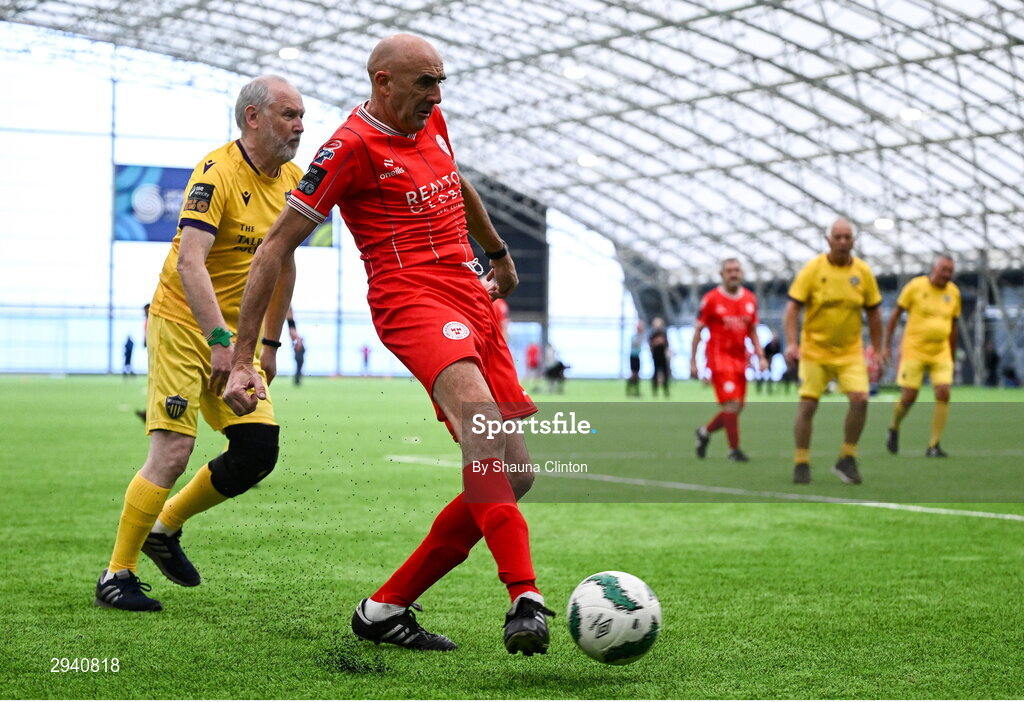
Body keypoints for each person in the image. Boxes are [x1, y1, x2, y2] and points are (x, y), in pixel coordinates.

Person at [223, 35, 552, 656]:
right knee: (483, 433)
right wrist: (245, 356)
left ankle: (385, 608)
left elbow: (456, 185)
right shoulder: (349, 146)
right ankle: (524, 597)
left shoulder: (433, 122)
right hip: (411, 299)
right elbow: (273, 247)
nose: (436, 94)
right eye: (425, 82)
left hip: (469, 295)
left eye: (439, 81)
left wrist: (499, 254)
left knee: (516, 473)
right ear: (383, 83)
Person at [95, 76, 306, 612]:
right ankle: (116, 574)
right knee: (172, 451)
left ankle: (164, 529)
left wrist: (269, 346)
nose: (300, 126)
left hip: (236, 338)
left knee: (258, 451)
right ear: (252, 118)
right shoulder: (214, 173)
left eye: (302, 116)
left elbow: (284, 265)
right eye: (288, 115)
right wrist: (218, 343)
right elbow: (191, 263)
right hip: (183, 325)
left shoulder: (296, 181)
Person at [784, 218, 883, 485]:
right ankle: (801, 461)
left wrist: (879, 349)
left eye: (847, 237)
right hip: (815, 351)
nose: (842, 242)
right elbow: (792, 308)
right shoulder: (813, 269)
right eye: (837, 237)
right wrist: (793, 343)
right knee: (807, 406)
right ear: (828, 240)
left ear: (853, 241)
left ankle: (847, 458)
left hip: (850, 352)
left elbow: (874, 313)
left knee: (861, 400)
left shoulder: (862, 272)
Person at [883, 255, 960, 457]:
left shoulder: (953, 293)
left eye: (950, 271)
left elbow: (954, 326)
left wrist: (951, 353)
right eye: (943, 269)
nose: (947, 274)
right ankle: (894, 426)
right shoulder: (915, 287)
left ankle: (934, 445)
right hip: (914, 350)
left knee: (944, 392)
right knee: (909, 397)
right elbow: (895, 314)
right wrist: (887, 345)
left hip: (940, 352)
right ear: (933, 268)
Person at [691, 259, 768, 462]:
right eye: (729, 271)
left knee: (736, 408)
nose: (733, 274)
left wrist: (760, 356)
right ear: (722, 274)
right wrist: (693, 362)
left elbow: (752, 331)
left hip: (740, 359)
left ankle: (704, 432)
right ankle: (734, 451)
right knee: (731, 405)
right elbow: (698, 331)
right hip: (718, 358)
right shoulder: (711, 299)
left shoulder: (750, 299)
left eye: (737, 270)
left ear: (741, 273)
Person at [649, 317, 671, 397]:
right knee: (655, 373)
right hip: (656, 357)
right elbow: (650, 345)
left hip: (663, 357)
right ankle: (655, 390)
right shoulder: (652, 334)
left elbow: (667, 344)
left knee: (665, 373)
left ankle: (666, 390)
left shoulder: (664, 333)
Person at [626, 320, 645, 397]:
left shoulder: (641, 336)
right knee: (633, 374)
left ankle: (636, 391)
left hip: (637, 356)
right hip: (633, 356)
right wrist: (639, 336)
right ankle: (629, 389)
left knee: (637, 374)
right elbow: (634, 345)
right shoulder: (634, 336)